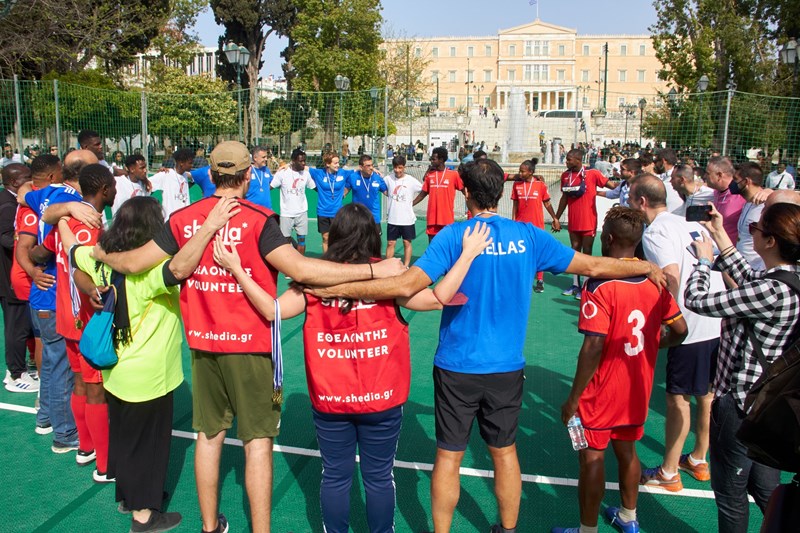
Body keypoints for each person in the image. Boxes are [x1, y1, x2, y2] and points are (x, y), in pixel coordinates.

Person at [308, 159, 667, 533]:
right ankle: (507, 529)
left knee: (448, 455)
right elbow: (593, 266)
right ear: (502, 193)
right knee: (505, 451)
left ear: (465, 193)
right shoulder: (529, 236)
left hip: (456, 365)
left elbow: (405, 285)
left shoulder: (454, 236)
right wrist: (640, 266)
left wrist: (338, 287)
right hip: (505, 367)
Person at [91, 141, 406, 533]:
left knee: (208, 437)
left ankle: (210, 527)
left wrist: (101, 254)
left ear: (211, 173)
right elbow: (304, 271)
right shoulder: (258, 220)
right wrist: (373, 272)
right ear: (245, 176)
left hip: (204, 348)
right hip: (253, 349)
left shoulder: (183, 219)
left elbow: (135, 262)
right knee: (258, 443)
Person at [213, 202, 491, 533]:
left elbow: (272, 311)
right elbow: (436, 299)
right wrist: (468, 255)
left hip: (331, 399)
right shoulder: (391, 275)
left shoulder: (315, 279)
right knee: (378, 475)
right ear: (373, 236)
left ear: (335, 237)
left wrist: (236, 267)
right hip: (382, 398)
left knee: (335, 474)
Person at [70, 196, 231, 532]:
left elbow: (73, 252)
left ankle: (130, 496)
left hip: (115, 370)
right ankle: (144, 516)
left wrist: (65, 215)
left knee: (127, 439)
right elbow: (181, 268)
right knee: (149, 446)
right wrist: (209, 227)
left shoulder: (100, 259)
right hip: (150, 375)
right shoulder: (149, 272)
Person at [553, 207, 687, 533]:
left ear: (608, 238)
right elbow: (680, 330)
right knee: (627, 451)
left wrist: (573, 398)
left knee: (592, 457)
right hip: (638, 386)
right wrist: (654, 345)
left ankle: (587, 530)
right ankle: (629, 518)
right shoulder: (655, 283)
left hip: (602, 391)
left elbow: (594, 346)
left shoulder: (600, 286)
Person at [684, 202, 800, 533]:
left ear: (771, 242)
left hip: (740, 403)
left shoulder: (770, 290)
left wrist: (704, 262)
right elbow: (750, 278)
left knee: (731, 496)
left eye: (755, 229)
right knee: (766, 489)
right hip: (769, 403)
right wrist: (720, 235)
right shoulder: (788, 279)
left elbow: (698, 300)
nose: (753, 233)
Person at [629, 175, 724, 493]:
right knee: (706, 394)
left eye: (630, 199)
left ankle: (669, 471)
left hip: (691, 322)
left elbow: (670, 276)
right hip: (715, 318)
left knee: (677, 398)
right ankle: (698, 457)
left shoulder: (656, 230)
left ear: (642, 202)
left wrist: (659, 322)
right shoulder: (686, 221)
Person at [41, 164, 116, 479]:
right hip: (88, 320)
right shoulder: (88, 228)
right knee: (96, 389)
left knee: (80, 384)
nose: (115, 191)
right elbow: (83, 270)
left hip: (66, 316)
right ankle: (105, 465)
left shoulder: (66, 222)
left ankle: (85, 448)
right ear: (103, 189)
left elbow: (46, 250)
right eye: (112, 185)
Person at [554, 148, 616, 299]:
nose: (566, 161)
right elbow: (564, 198)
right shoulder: (565, 176)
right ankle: (575, 284)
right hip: (573, 220)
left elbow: (612, 186)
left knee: (587, 252)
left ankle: (586, 285)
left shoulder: (592, 174)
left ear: (578, 159)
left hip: (589, 220)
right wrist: (556, 217)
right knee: (575, 250)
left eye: (569, 159)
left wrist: (629, 185)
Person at [0, 163, 37, 393]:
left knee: (22, 324)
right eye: (27, 177)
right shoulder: (7, 205)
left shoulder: (12, 201)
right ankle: (15, 374)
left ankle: (19, 368)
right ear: (15, 182)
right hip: (8, 276)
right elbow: (5, 237)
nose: (32, 180)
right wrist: (24, 242)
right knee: (16, 326)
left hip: (10, 273)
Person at [511, 159, 560, 292]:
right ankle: (522, 278)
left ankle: (540, 279)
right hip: (521, 226)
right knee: (521, 252)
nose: (520, 173)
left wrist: (555, 218)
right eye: (519, 171)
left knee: (538, 252)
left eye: (522, 171)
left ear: (531, 172)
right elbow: (515, 205)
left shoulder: (540, 185)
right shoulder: (517, 185)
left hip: (537, 225)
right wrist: (513, 221)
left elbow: (547, 203)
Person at [413, 147, 464, 242]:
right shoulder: (430, 175)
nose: (431, 161)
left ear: (441, 160)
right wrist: (410, 204)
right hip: (432, 218)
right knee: (432, 245)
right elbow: (423, 194)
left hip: (446, 218)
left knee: (447, 245)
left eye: (433, 159)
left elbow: (463, 190)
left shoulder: (453, 175)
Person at [271, 147, 316, 256]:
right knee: (285, 242)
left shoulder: (305, 174)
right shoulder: (282, 173)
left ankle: (300, 263)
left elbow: (315, 187)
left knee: (302, 240)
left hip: (302, 213)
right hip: (286, 214)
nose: (304, 163)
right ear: (293, 161)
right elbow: (270, 187)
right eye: (301, 161)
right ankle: (289, 265)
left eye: (305, 160)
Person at [384, 155, 422, 267]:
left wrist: (413, 202)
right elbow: (381, 186)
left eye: (400, 167)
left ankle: (406, 266)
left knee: (407, 242)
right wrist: (387, 194)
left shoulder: (411, 180)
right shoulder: (388, 178)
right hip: (392, 218)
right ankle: (388, 266)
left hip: (407, 219)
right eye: (395, 167)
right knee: (391, 243)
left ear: (404, 167)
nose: (397, 170)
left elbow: (424, 190)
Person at [308, 152, 350, 252]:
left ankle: (337, 258)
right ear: (327, 164)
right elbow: (302, 167)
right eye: (335, 163)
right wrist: (287, 165)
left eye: (338, 163)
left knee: (338, 238)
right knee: (325, 238)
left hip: (337, 212)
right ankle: (327, 259)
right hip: (323, 211)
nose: (338, 165)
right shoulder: (318, 173)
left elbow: (360, 170)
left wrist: (345, 192)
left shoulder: (343, 173)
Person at [731, 162, 767, 270]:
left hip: (757, 270)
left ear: (746, 181)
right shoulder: (747, 203)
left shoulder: (766, 205)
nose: (732, 183)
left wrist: (771, 192)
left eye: (735, 179)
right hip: (742, 269)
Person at [705, 156, 746, 245]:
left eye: (707, 173)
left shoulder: (741, 194)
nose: (705, 176)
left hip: (734, 252)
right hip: (717, 248)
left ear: (719, 175)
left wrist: (767, 192)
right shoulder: (717, 192)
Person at [346, 154, 387, 233]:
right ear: (361, 167)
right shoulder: (353, 177)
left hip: (374, 218)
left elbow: (387, 192)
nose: (371, 168)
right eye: (368, 166)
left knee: (374, 243)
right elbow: (344, 192)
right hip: (357, 217)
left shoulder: (377, 178)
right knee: (357, 242)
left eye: (372, 165)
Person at [149, 148, 193, 220]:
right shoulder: (166, 175)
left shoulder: (185, 175)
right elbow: (147, 184)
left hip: (183, 220)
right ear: (181, 163)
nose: (192, 165)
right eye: (190, 163)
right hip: (170, 221)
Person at [245, 145, 274, 210]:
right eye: (263, 157)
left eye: (266, 157)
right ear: (255, 158)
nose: (266, 159)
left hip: (267, 210)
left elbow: (273, 183)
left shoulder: (266, 170)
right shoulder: (248, 171)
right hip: (252, 210)